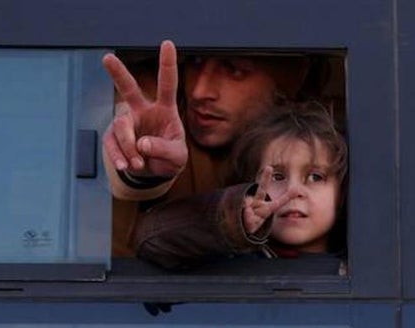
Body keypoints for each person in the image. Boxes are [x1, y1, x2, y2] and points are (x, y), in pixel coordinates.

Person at [100, 42, 316, 257]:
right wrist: (140, 156)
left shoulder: (309, 143)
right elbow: (122, 120)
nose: (199, 91)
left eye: (234, 70)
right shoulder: (158, 105)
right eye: (195, 62)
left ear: (283, 89)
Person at [130, 101, 347, 271]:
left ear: (341, 195)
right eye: (277, 176)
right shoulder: (225, 259)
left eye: (316, 177)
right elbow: (150, 240)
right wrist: (233, 221)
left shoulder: (361, 266)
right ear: (250, 184)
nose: (293, 191)